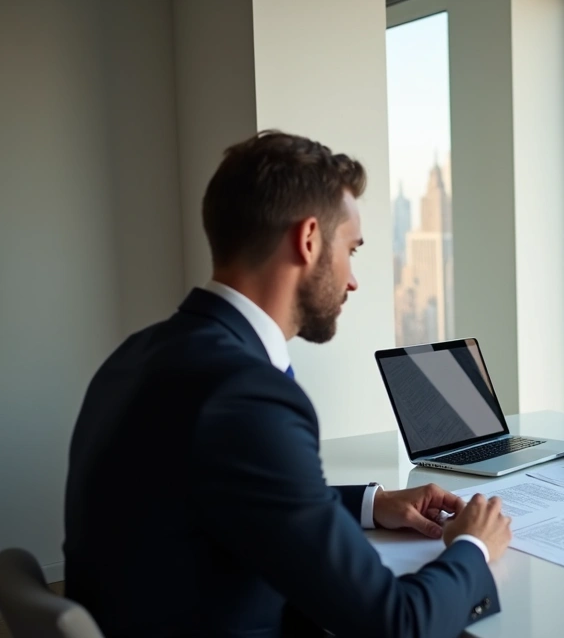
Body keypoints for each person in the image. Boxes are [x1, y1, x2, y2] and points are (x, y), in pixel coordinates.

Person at [63, 131, 511, 637]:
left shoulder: (141, 354)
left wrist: (370, 504)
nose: (353, 280)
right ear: (309, 239)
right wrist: (474, 547)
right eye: (352, 250)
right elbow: (396, 624)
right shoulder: (245, 397)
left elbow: (217, 497)